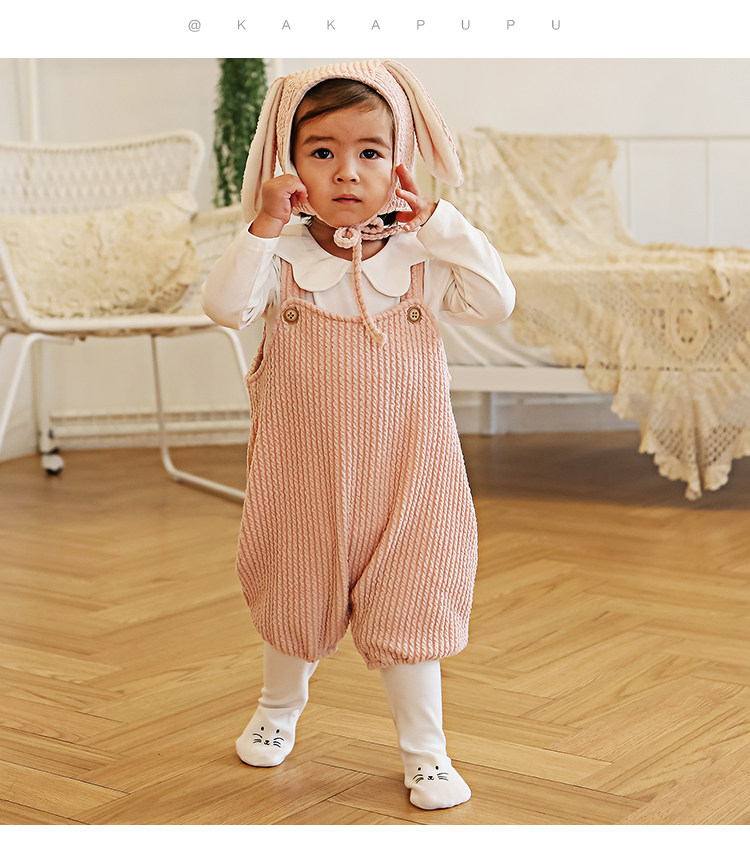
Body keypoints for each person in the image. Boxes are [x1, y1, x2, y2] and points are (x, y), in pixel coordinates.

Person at [202, 59, 515, 811]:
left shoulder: (422, 259)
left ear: (398, 161)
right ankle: (278, 709)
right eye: (322, 152)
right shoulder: (280, 257)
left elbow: (496, 302)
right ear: (288, 165)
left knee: (412, 607)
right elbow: (223, 307)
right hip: (303, 478)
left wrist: (439, 223)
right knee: (293, 598)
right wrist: (263, 226)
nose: (347, 171)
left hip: (410, 480)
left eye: (370, 151)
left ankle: (426, 753)